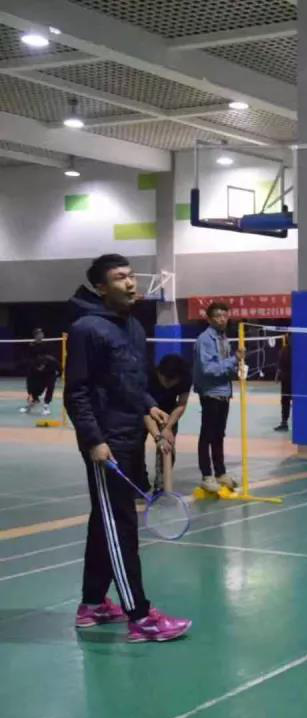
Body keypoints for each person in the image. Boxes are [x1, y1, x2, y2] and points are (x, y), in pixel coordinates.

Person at [65, 253, 191, 642]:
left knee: (105, 522)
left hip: (131, 435)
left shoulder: (133, 326)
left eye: (132, 275)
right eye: (120, 278)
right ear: (101, 287)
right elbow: (76, 393)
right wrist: (94, 441)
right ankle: (141, 616)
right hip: (107, 443)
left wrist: (148, 405)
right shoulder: (86, 329)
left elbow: (130, 382)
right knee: (121, 527)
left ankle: (93, 604)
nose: (131, 283)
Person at [193, 301, 245, 494]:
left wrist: (236, 368)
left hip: (224, 392)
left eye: (225, 315)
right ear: (209, 319)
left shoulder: (223, 338)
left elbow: (224, 366)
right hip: (211, 393)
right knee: (207, 435)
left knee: (219, 434)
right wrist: (234, 360)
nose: (222, 319)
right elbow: (208, 369)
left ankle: (220, 473)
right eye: (217, 316)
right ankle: (207, 476)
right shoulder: (205, 340)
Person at [144, 354, 191, 493]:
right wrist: (158, 437)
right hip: (145, 409)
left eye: (173, 381)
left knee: (167, 446)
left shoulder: (185, 378)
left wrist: (168, 428)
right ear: (159, 372)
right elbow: (144, 413)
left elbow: (181, 404)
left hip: (168, 411)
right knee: (136, 446)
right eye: (166, 380)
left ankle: (161, 485)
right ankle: (140, 482)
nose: (168, 384)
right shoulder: (147, 376)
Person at [20, 328, 61, 416]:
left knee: (50, 387)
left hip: (49, 370)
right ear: (35, 336)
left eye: (41, 333)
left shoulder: (48, 344)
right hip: (37, 371)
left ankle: (46, 406)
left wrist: (46, 365)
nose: (40, 335)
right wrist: (37, 367)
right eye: (38, 334)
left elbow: (52, 358)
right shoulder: (31, 346)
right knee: (33, 387)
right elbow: (29, 358)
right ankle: (34, 401)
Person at [274, 334, 292, 432]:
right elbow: (280, 367)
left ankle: (285, 423)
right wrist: (277, 377)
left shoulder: (284, 350)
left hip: (291, 381)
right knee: (285, 402)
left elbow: (279, 367)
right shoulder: (283, 350)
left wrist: (277, 377)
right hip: (288, 381)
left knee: (286, 401)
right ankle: (284, 423)